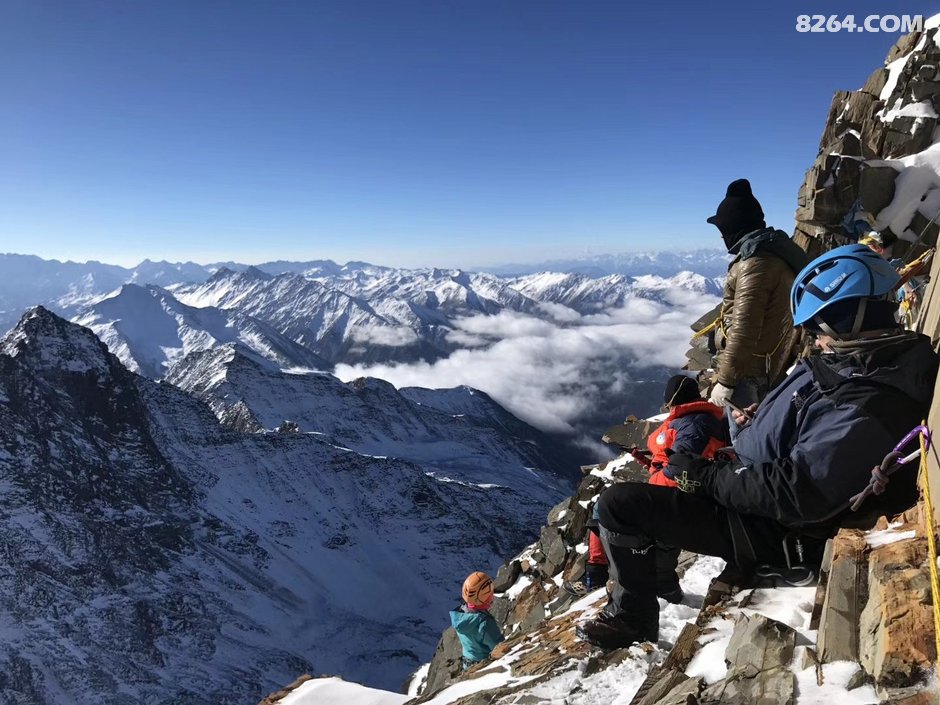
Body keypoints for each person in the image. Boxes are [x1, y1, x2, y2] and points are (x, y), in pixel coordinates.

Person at [577, 244, 938, 649]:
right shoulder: (858, 364)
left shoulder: (869, 400)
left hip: (774, 527)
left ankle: (632, 619)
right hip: (753, 489)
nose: (816, 341)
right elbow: (809, 427)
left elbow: (800, 491)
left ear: (846, 320)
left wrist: (706, 477)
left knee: (619, 506)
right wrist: (762, 421)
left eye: (818, 328)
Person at [705, 179, 810, 436]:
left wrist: (726, 381)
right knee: (758, 433)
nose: (721, 236)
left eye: (723, 229)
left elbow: (744, 329)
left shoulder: (756, 263)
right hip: (765, 364)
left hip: (749, 372)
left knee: (744, 438)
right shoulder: (775, 253)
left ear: (734, 228)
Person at [450, 571, 504, 669]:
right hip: (483, 666)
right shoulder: (484, 623)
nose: (492, 596)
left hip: (467, 665)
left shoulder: (460, 616)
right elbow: (499, 648)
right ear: (484, 597)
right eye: (490, 594)